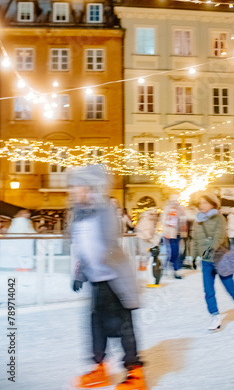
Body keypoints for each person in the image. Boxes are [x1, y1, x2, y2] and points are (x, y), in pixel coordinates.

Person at [69, 165, 146, 390]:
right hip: (96, 280)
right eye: (72, 186)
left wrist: (101, 260)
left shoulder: (104, 209)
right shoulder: (78, 213)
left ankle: (136, 373)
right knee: (96, 326)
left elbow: (109, 242)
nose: (73, 190)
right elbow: (83, 248)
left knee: (123, 326)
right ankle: (99, 369)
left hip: (115, 279)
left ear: (89, 187)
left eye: (77, 186)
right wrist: (80, 273)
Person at [192, 193, 234, 331]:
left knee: (230, 287)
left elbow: (219, 236)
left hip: (220, 258)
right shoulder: (197, 220)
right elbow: (195, 240)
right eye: (200, 203)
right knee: (208, 291)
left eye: (205, 203)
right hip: (206, 261)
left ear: (212, 204)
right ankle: (215, 316)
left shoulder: (219, 218)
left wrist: (209, 248)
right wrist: (193, 256)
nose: (201, 205)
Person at [161, 195, 185, 279]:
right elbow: (163, 221)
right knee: (172, 252)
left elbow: (183, 220)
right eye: (174, 201)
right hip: (170, 235)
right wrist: (166, 232)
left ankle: (174, 270)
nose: (176, 203)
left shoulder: (180, 209)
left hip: (177, 234)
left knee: (176, 252)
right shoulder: (167, 208)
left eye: (177, 201)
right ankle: (168, 268)